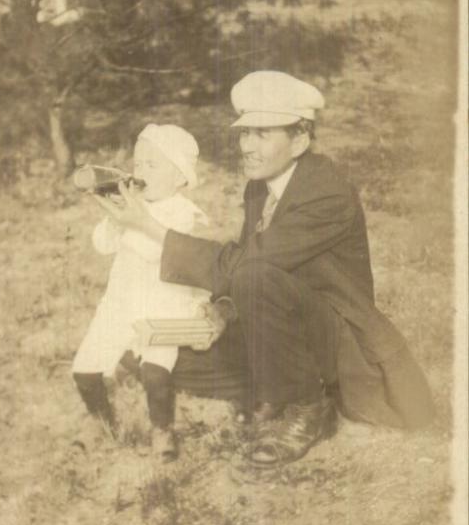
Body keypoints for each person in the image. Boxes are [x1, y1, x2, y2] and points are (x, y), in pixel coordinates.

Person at [96, 71, 436, 468]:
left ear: (300, 139)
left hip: (337, 334)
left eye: (262, 134)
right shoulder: (261, 186)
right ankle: (278, 389)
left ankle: (309, 409)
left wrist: (148, 226)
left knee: (253, 277)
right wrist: (223, 308)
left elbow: (250, 265)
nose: (248, 147)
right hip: (288, 322)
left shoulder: (326, 191)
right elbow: (247, 255)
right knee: (170, 360)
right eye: (244, 134)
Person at [73, 123, 211, 461]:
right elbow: (103, 245)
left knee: (155, 373)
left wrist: (133, 218)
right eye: (138, 164)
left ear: (180, 177)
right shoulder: (133, 207)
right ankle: (102, 420)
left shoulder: (184, 212)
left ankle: (161, 429)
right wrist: (113, 217)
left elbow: (157, 253)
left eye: (152, 165)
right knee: (84, 370)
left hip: (163, 309)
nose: (140, 172)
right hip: (119, 305)